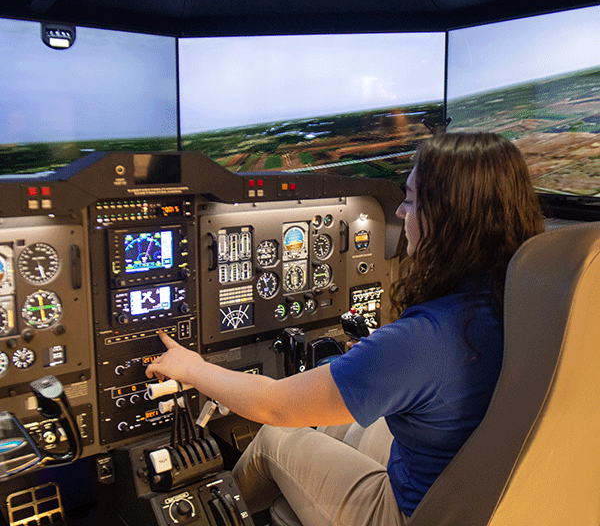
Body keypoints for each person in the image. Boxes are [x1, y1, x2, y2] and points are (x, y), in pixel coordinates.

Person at [146, 132, 545, 526]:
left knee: (274, 437)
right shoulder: (524, 299)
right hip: (482, 496)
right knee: (348, 422)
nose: (402, 214)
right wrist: (371, 358)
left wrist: (192, 367)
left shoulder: (421, 341)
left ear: (445, 218)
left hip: (416, 512)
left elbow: (273, 405)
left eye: (409, 200)